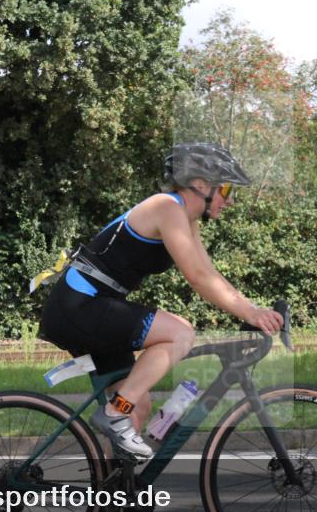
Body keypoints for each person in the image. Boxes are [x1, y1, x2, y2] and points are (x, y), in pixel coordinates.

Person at [37, 143, 284, 460]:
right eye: (225, 188)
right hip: (79, 306)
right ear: (200, 184)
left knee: (138, 406)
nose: (230, 198)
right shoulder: (167, 208)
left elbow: (211, 274)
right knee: (179, 333)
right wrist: (251, 312)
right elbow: (197, 277)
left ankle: (114, 498)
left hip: (92, 306)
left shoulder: (187, 219)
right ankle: (114, 415)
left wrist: (253, 310)